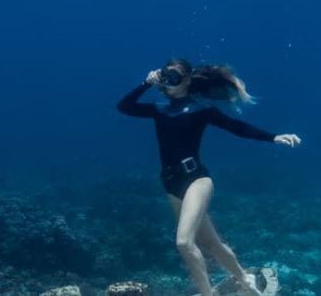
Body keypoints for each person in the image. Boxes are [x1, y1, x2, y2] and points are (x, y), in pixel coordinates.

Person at [117, 59, 301, 296]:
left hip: (196, 179)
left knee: (184, 242)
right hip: (171, 184)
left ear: (187, 80)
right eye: (165, 75)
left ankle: (207, 294)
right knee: (211, 243)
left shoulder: (200, 109)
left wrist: (273, 137)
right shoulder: (158, 109)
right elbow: (124, 106)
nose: (168, 81)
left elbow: (237, 127)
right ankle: (245, 278)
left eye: (174, 76)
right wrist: (145, 83)